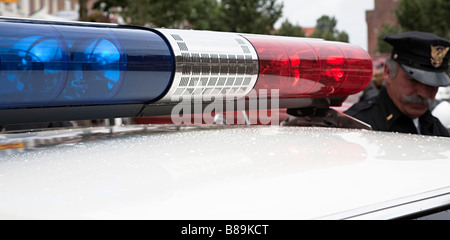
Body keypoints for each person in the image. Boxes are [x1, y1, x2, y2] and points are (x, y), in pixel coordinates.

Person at [345, 31, 450, 137]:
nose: (424, 94)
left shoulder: (437, 129)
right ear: (388, 72)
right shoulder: (355, 127)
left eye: (432, 84)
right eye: (413, 80)